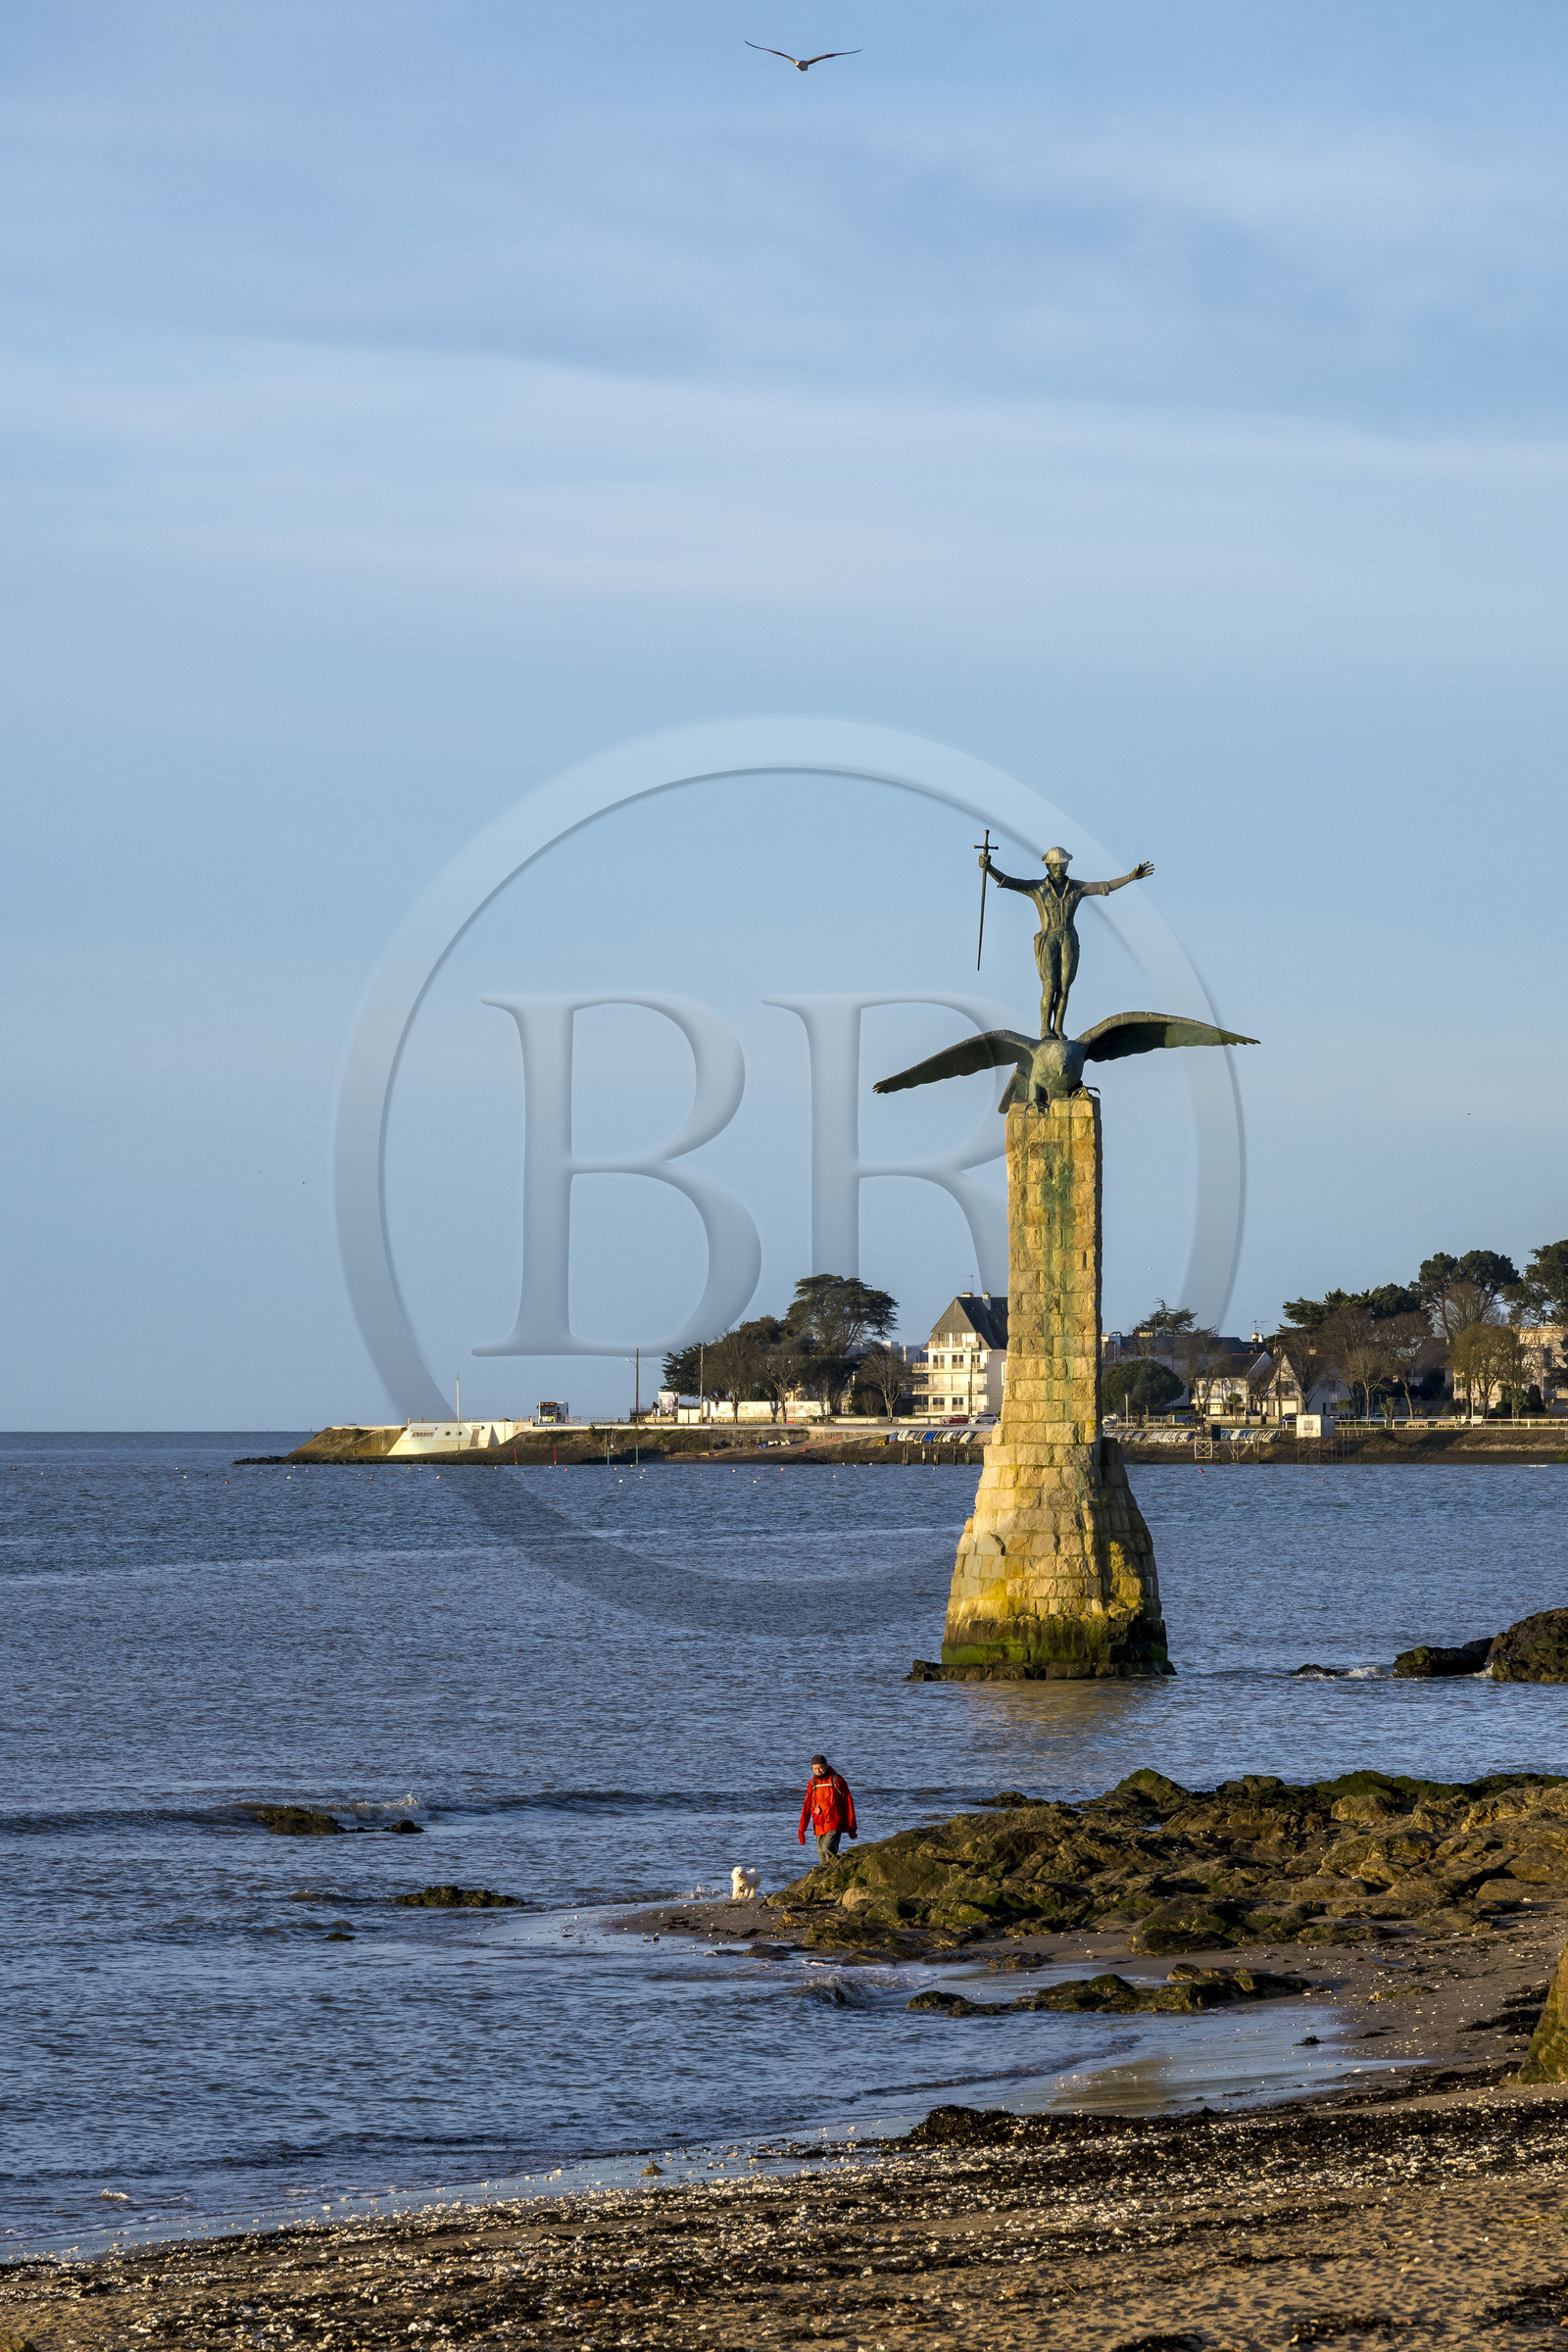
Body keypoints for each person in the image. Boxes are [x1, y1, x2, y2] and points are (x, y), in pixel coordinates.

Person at [979, 844, 1153, 1037]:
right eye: (1055, 865)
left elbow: (1105, 886)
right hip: (1048, 939)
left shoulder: (1076, 888)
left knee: (1064, 986)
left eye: (1062, 865)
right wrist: (989, 868)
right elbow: (1009, 881)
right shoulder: (1037, 888)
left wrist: (1130, 877)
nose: (1059, 869)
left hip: (1069, 939)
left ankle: (1058, 1028)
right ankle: (1045, 1029)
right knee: (1049, 986)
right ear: (1047, 866)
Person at [798, 1754, 858, 1863]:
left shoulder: (837, 1780)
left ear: (826, 1765)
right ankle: (823, 1875)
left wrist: (851, 1828)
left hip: (834, 1822)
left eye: (820, 1768)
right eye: (815, 1769)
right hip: (819, 1823)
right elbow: (806, 1807)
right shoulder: (813, 1783)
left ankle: (833, 1872)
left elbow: (848, 1803)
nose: (818, 1771)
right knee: (821, 1853)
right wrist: (802, 1830)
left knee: (828, 1848)